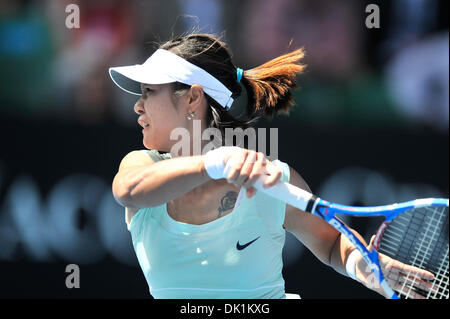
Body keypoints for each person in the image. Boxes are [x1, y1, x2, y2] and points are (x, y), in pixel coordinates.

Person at [109, 33, 434, 299]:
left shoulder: (270, 179)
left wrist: (363, 269)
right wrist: (215, 162)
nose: (138, 106)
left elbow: (333, 243)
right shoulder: (140, 165)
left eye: (149, 93)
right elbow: (129, 190)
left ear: (193, 99)